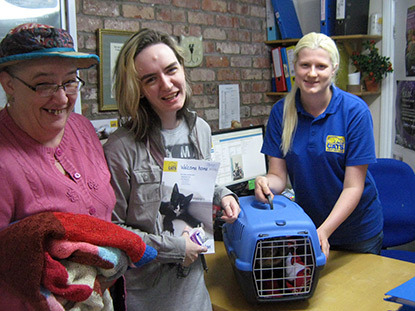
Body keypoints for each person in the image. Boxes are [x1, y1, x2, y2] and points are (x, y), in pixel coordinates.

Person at [0, 23, 138, 310]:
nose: (62, 98)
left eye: (70, 82)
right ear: (8, 83)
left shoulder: (83, 129)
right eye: (44, 84)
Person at [103, 28, 240, 311]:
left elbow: (197, 184)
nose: (166, 85)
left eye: (171, 70)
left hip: (196, 292)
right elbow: (114, 231)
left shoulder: (200, 129)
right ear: (137, 88)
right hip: (149, 297)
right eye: (150, 79)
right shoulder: (120, 148)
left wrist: (223, 195)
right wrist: (175, 249)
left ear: (182, 68)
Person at [255, 32, 383, 260]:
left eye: (321, 66)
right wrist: (265, 183)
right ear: (294, 67)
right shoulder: (281, 113)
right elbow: (278, 177)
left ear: (334, 69)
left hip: (357, 233)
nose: (312, 73)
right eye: (305, 65)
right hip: (310, 228)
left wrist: (324, 231)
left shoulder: (355, 112)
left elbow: (353, 187)